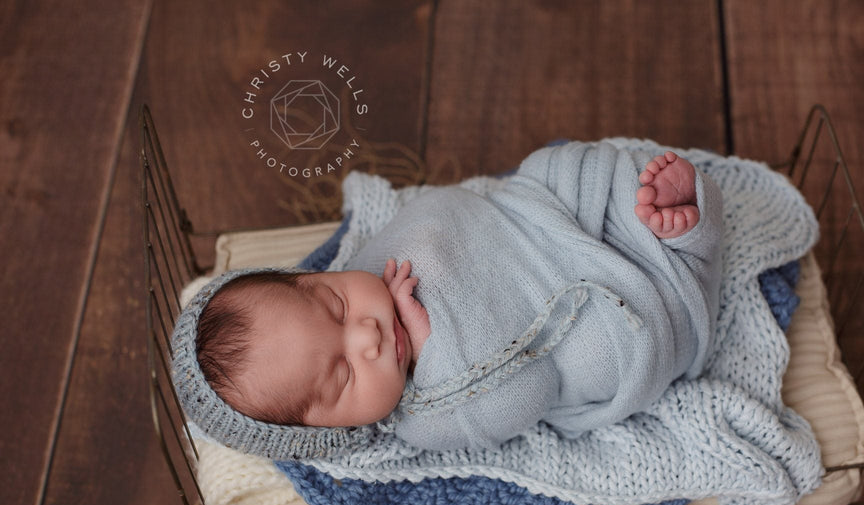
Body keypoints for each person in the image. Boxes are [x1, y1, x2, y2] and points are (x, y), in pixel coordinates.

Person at [175, 143, 724, 452]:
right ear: (334, 431)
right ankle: (684, 242)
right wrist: (440, 353)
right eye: (343, 374)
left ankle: (663, 217)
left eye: (336, 306)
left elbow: (453, 210)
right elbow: (526, 392)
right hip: (593, 316)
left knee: (551, 168)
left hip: (542, 220)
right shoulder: (427, 419)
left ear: (315, 276)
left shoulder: (378, 257)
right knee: (600, 356)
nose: (366, 334)